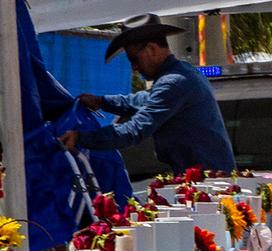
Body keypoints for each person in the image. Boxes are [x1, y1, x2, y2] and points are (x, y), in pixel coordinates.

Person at [58, 13, 236, 173]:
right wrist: (102, 101)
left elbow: (133, 130)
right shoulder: (183, 73)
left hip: (210, 185)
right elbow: (142, 99)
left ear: (151, 49)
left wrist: (81, 138)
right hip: (206, 179)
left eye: (134, 60)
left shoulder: (174, 83)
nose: (134, 68)